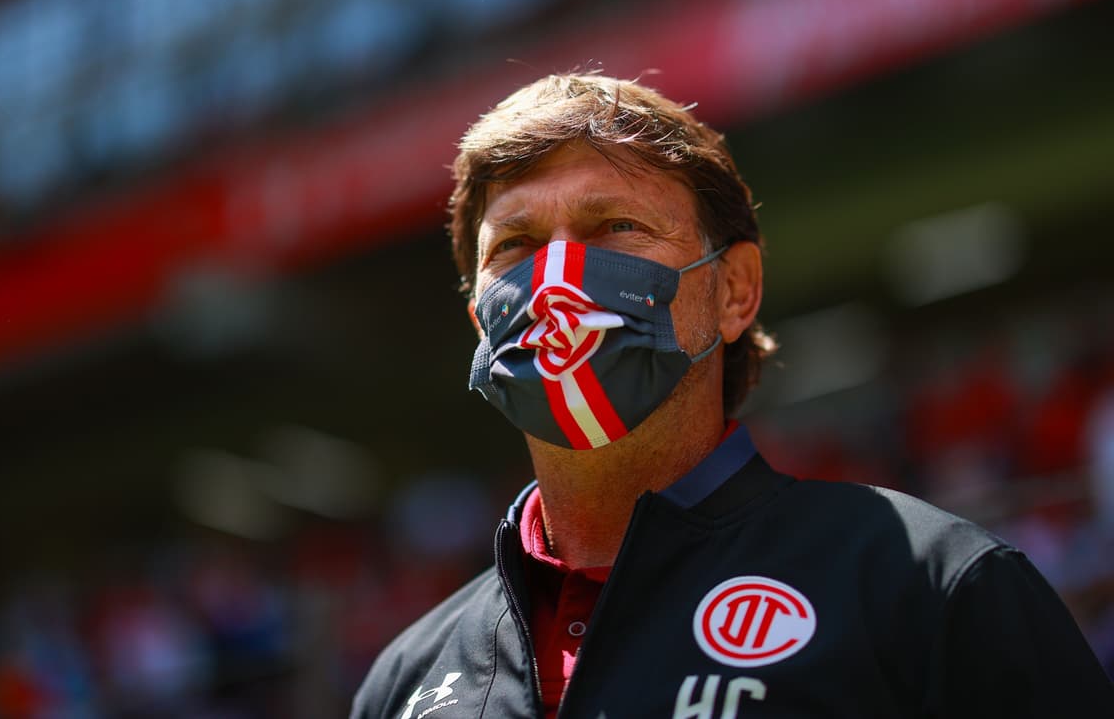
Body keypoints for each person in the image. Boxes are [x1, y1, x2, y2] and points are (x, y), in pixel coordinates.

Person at [351, 74, 1114, 718]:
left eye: (614, 226)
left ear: (734, 290)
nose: (555, 279)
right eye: (514, 246)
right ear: (477, 311)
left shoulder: (929, 587)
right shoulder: (402, 683)